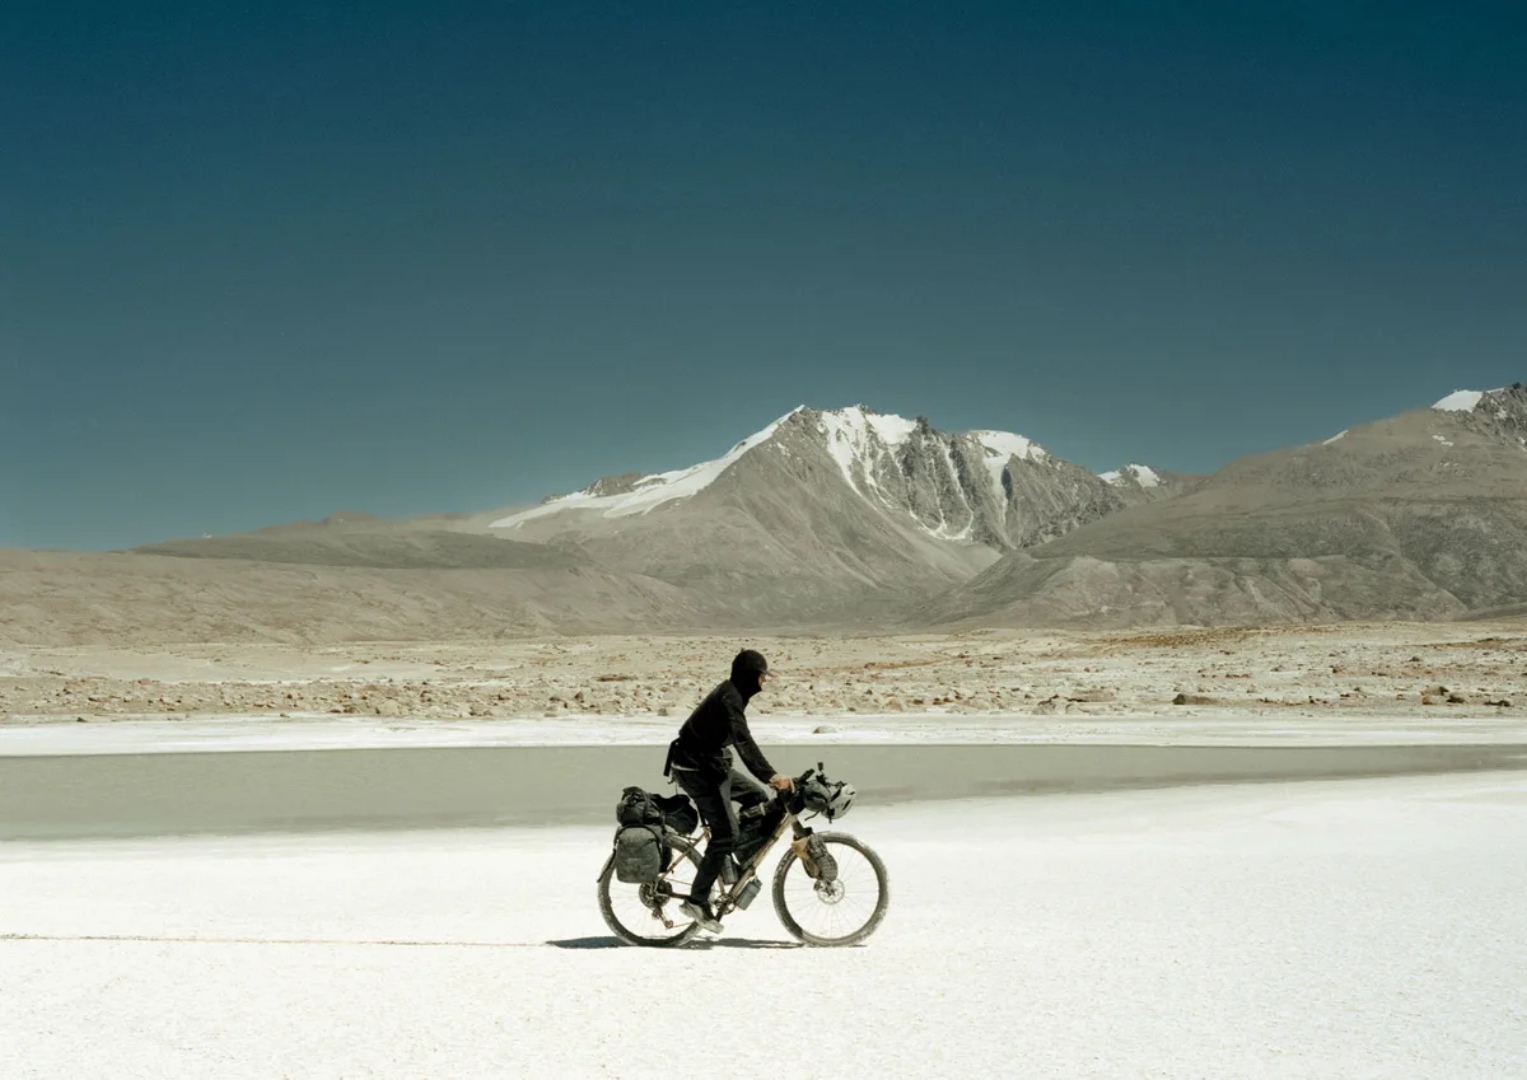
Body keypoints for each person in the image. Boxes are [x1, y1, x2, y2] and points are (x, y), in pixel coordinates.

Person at [663, 648, 795, 934]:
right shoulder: (730, 698)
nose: (764, 682)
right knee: (725, 833)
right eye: (762, 676)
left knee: (757, 798)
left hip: (712, 764)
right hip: (694, 769)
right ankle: (697, 901)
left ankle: (734, 862)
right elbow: (744, 742)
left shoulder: (735, 693)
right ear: (750, 677)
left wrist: (766, 781)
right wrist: (772, 776)